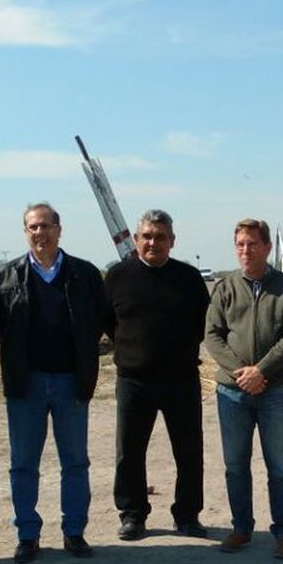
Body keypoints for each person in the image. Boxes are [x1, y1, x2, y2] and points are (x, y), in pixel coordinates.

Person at [0, 202, 105, 563]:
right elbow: (0, 326)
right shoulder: (8, 276)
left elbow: (96, 321)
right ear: (25, 232)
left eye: (46, 226)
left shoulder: (84, 274)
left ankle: (74, 532)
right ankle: (27, 534)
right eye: (32, 227)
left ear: (59, 229)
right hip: (27, 384)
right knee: (24, 463)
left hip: (71, 381)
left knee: (75, 462)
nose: (40, 233)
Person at [102, 209, 211, 540]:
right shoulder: (117, 277)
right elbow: (109, 322)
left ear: (172, 241)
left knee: (189, 450)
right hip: (134, 379)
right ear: (136, 240)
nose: (153, 242)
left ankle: (188, 515)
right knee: (129, 451)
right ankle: (133, 514)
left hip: (181, 378)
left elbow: (202, 324)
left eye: (160, 236)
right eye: (147, 236)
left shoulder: (189, 278)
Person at [204, 219, 283, 559]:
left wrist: (260, 371)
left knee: (278, 465)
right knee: (235, 464)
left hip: (274, 390)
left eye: (252, 244)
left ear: (266, 247)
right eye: (240, 244)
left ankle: (282, 531)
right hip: (232, 393)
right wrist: (239, 372)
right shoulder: (224, 288)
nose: (245, 250)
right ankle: (241, 528)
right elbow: (213, 335)